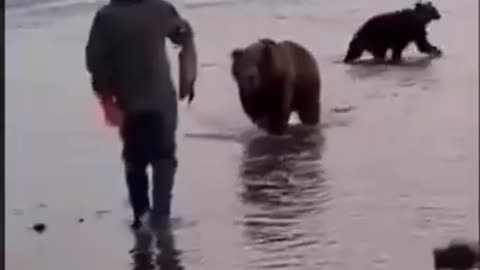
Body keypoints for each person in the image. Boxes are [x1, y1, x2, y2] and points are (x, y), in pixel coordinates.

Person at [85, 0, 197, 229]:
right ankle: (162, 215)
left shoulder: (105, 17)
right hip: (161, 100)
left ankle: (141, 215)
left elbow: (95, 62)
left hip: (128, 103)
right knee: (164, 159)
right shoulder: (160, 9)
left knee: (134, 162)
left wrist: (106, 100)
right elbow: (182, 35)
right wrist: (187, 45)